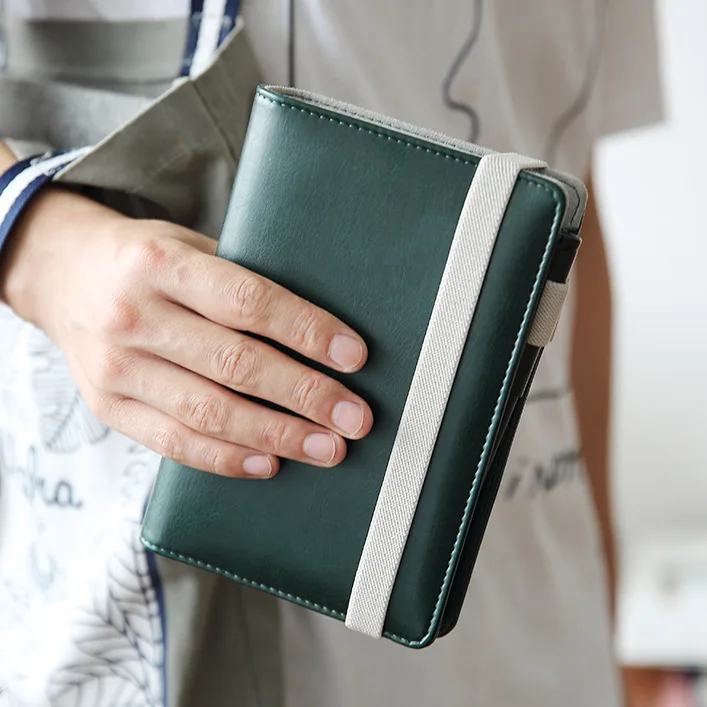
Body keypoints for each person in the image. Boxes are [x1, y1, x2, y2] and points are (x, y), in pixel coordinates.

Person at [0, 1, 662, 706]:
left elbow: (568, 225)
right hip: (130, 627)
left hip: (537, 631)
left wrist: (612, 617)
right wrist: (36, 246)